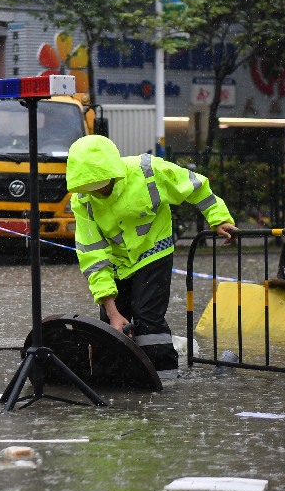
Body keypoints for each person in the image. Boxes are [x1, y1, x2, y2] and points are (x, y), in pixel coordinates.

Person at [65, 134, 237, 369]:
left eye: (105, 186)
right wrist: (112, 312)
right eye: (93, 189)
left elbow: (194, 187)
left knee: (148, 320)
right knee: (111, 327)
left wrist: (219, 219)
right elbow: (93, 257)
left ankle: (163, 378)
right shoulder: (83, 199)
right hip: (116, 261)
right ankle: (116, 379)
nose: (100, 193)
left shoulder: (148, 171)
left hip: (153, 250)